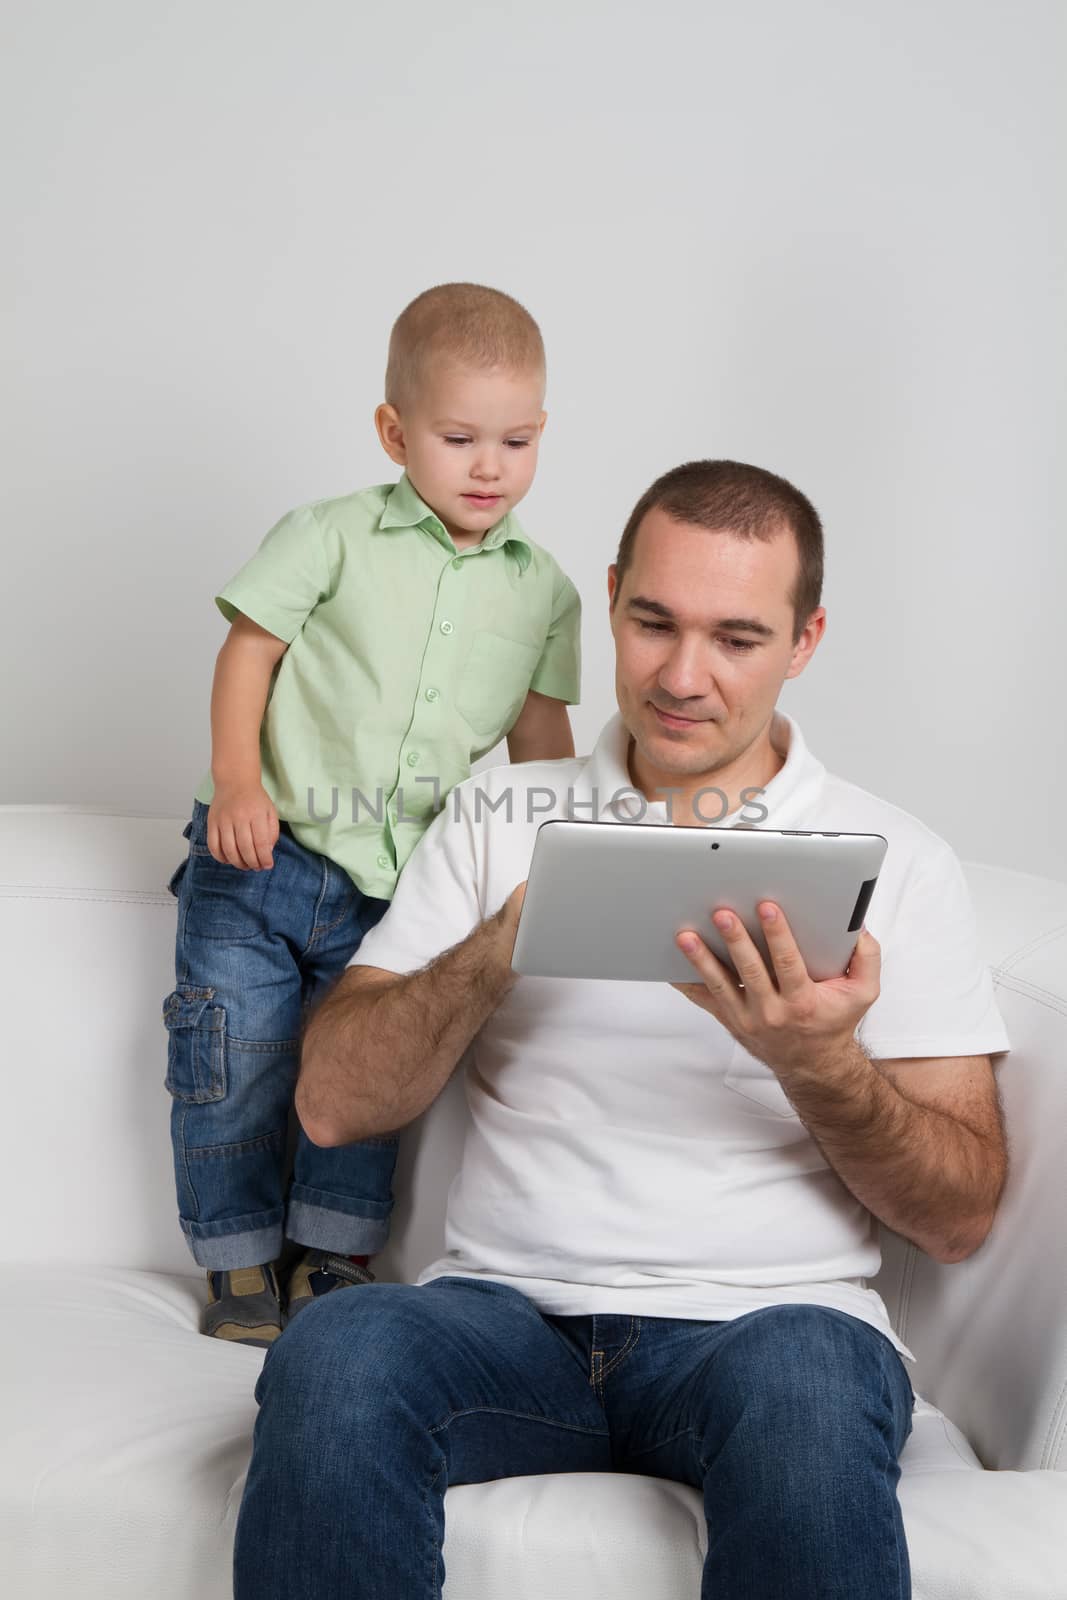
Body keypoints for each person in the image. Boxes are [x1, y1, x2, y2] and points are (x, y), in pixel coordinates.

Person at [233, 459, 1009, 1598]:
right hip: (505, 1321)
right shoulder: (501, 811)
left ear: (805, 639)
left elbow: (958, 1213)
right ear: (607, 597)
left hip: (764, 1329)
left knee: (805, 1377)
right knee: (338, 1353)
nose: (681, 676)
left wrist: (816, 1061)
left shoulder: (895, 858)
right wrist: (507, 938)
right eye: (652, 622)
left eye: (736, 638)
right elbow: (332, 1100)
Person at [162, 283, 581, 1346]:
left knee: (367, 1062)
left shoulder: (544, 591)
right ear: (395, 432)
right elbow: (248, 650)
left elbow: (539, 746)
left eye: (516, 440)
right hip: (261, 856)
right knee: (235, 1055)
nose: (489, 467)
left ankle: (334, 1255)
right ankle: (237, 1259)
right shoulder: (328, 536)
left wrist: (563, 855)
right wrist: (237, 779)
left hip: (404, 882)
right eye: (457, 438)